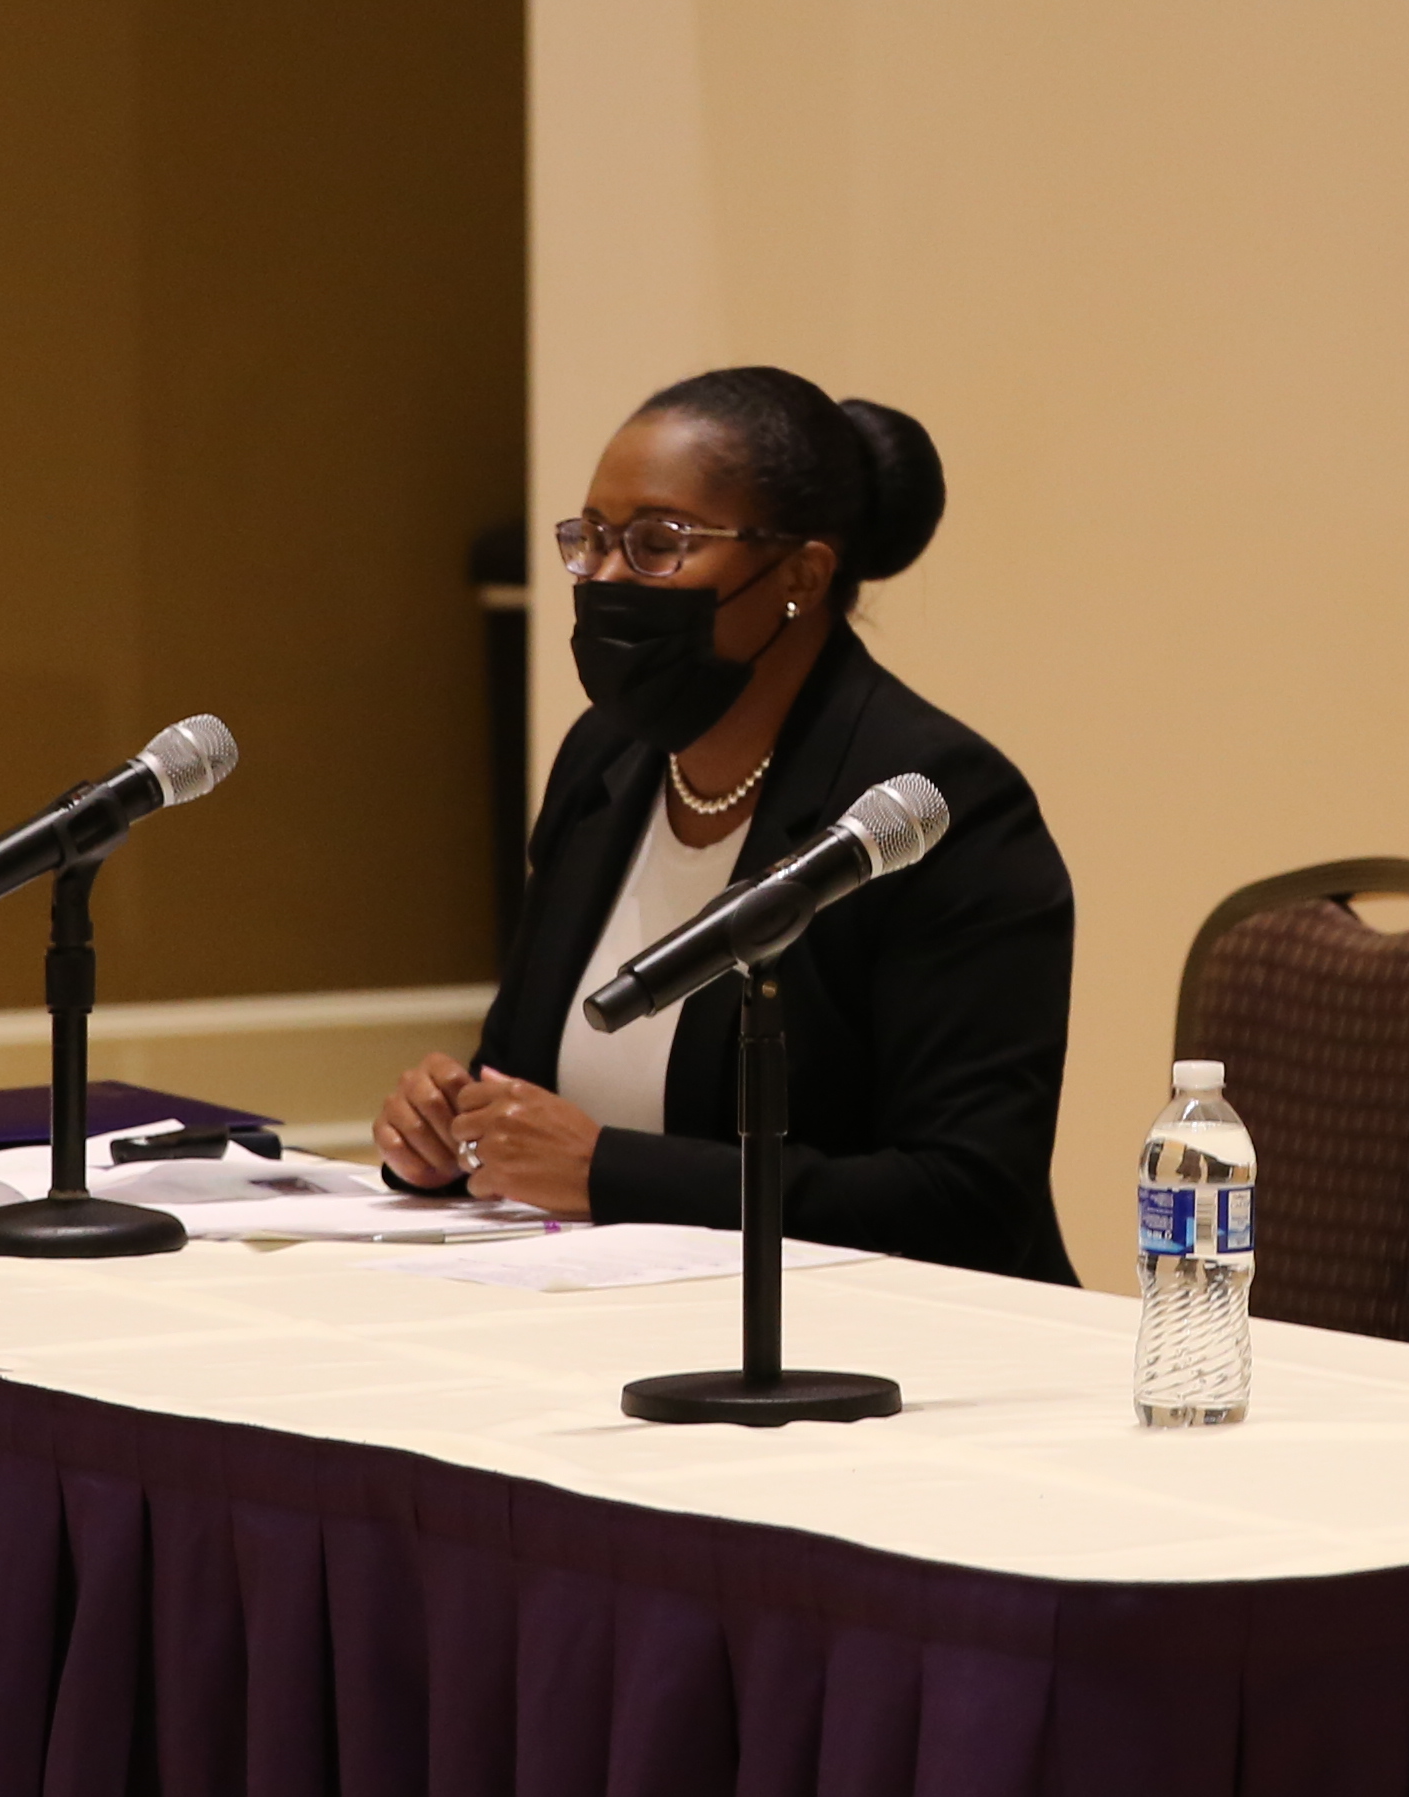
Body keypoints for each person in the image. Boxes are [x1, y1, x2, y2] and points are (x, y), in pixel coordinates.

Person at [371, 368, 1078, 1281]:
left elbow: (965, 1200)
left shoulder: (934, 803)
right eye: (591, 541)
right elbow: (521, 1083)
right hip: (610, 1325)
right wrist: (449, 1132)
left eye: (658, 544)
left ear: (799, 576)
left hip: (892, 1355)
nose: (610, 579)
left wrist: (612, 1173)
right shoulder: (605, 765)